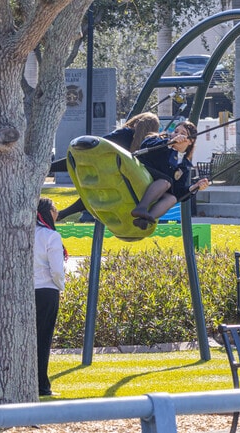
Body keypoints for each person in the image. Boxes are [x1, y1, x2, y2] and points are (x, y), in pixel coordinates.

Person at [54, 112, 160, 220]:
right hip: (126, 186)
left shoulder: (124, 133)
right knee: (98, 192)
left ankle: (49, 169)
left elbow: (100, 144)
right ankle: (63, 213)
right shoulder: (150, 143)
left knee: (77, 160)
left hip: (102, 172)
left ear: (137, 122)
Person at [131, 120, 209, 230]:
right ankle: (141, 208)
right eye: (176, 131)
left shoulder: (184, 166)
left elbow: (178, 192)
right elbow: (146, 147)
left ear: (190, 141)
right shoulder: (159, 141)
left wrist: (195, 187)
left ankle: (146, 220)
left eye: (183, 133)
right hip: (141, 173)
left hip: (157, 188)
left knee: (172, 198)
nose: (177, 135)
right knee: (166, 181)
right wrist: (170, 143)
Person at [34, 197, 66, 396]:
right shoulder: (51, 236)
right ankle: (42, 385)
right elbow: (56, 270)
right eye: (55, 209)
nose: (57, 213)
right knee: (43, 339)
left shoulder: (26, 234)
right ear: (47, 212)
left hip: (28, 291)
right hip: (47, 291)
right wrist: (60, 286)